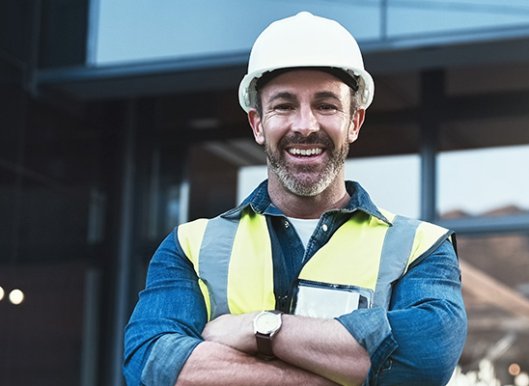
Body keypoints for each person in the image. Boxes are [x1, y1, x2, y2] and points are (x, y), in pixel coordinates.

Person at [123, 11, 467, 386]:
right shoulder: (191, 247)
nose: (305, 125)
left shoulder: (419, 248)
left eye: (326, 105)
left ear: (354, 121)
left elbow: (425, 359)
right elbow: (152, 363)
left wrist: (260, 329)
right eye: (284, 106)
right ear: (257, 123)